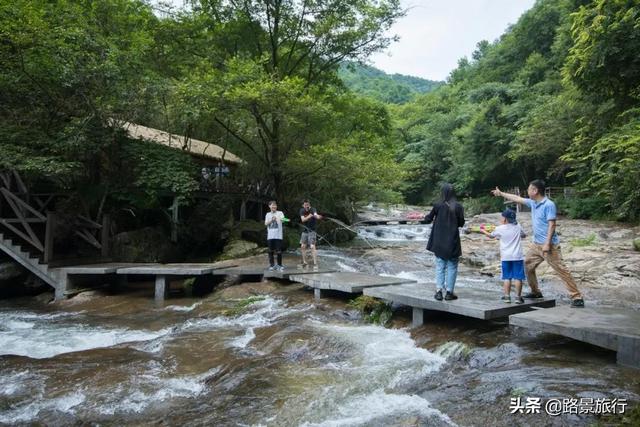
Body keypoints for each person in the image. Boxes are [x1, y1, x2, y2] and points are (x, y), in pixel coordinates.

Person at [491, 180, 585, 307]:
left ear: (535, 191)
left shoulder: (549, 205)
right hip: (536, 245)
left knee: (561, 270)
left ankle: (577, 297)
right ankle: (535, 292)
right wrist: (501, 193)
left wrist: (547, 244)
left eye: (529, 189)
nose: (528, 191)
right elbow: (517, 198)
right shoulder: (534, 203)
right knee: (527, 266)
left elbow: (552, 225)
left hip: (549, 245)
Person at [424, 183, 465, 301]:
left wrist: (424, 217)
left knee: (440, 266)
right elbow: (461, 223)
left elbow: (428, 218)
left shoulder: (438, 205)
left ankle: (438, 292)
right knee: (452, 266)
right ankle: (449, 293)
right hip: (453, 241)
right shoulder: (458, 206)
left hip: (439, 241)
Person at [480, 209, 527, 304]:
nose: (500, 218)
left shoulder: (500, 228)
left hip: (506, 257)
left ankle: (507, 297)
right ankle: (518, 298)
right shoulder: (518, 226)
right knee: (518, 277)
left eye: (502, 217)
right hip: (517, 256)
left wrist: (483, 230)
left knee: (507, 277)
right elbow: (524, 235)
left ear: (505, 219)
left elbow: (491, 236)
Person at [299, 199, 322, 270]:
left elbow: (315, 214)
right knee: (303, 246)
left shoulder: (313, 209)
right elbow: (303, 220)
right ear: (303, 205)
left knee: (312, 246)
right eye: (305, 205)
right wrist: (309, 216)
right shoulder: (302, 210)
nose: (307, 206)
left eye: (308, 204)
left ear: (309, 204)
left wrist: (318, 216)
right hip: (304, 231)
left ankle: (315, 263)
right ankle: (305, 262)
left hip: (312, 231)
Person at [264, 200, 285, 271]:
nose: (274, 206)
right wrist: (272, 220)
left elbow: (284, 220)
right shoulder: (267, 214)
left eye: (275, 205)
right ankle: (272, 265)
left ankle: (279, 265)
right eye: (272, 205)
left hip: (278, 235)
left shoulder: (280, 213)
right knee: (270, 251)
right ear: (269, 206)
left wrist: (282, 219)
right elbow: (266, 224)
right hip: (270, 236)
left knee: (279, 251)